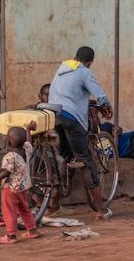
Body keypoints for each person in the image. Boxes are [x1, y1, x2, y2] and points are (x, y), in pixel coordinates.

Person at [47, 46, 112, 220]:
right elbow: (101, 96)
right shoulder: (84, 72)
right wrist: (106, 106)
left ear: (75, 57)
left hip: (54, 115)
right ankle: (100, 209)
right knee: (85, 160)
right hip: (71, 117)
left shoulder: (62, 69)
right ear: (90, 62)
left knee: (65, 157)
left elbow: (69, 94)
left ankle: (52, 206)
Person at [0, 126, 39, 245]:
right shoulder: (26, 150)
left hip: (11, 189)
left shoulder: (10, 157)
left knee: (9, 211)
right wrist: (28, 129)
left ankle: (11, 235)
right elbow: (29, 141)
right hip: (23, 187)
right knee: (24, 209)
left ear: (9, 141)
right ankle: (32, 230)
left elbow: (6, 172)